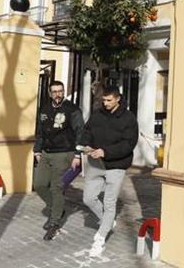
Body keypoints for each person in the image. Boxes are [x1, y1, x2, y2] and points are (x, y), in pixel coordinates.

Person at [81, 85, 138, 257]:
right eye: (103, 100)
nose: (105, 103)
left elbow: (128, 144)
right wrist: (86, 144)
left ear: (118, 99)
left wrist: (106, 152)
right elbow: (87, 131)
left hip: (117, 165)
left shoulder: (128, 118)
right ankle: (108, 220)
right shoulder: (97, 114)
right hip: (95, 164)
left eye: (109, 100)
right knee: (88, 198)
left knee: (109, 202)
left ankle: (100, 237)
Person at [33, 80, 84, 241]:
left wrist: (77, 154)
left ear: (64, 92)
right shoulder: (45, 109)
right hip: (46, 153)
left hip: (64, 153)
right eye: (54, 91)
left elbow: (80, 132)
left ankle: (55, 221)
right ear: (50, 93)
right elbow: (40, 132)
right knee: (39, 185)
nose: (57, 94)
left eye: (60, 91)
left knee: (57, 188)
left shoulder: (72, 109)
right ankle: (58, 207)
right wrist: (36, 150)